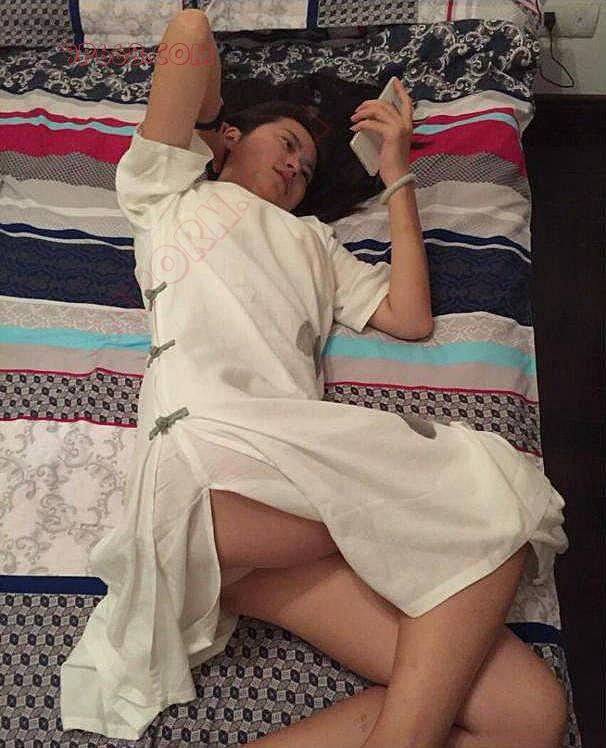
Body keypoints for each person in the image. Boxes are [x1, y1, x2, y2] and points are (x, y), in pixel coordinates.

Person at [60, 9, 569, 747]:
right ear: (228, 137)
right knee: (496, 492)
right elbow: (189, 32)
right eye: (287, 143)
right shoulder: (167, 194)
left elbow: (410, 316)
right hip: (207, 459)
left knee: (528, 717)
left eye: (305, 169)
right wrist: (209, 120)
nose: (296, 168)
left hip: (269, 511)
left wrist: (397, 174)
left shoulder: (313, 242)